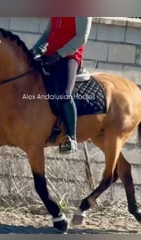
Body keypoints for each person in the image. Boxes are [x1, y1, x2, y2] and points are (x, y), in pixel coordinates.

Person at [31, 17, 92, 154]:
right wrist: (33, 51)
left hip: (69, 58)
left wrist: (59, 54)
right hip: (50, 55)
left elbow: (81, 37)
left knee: (64, 94)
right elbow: (47, 34)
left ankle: (71, 138)